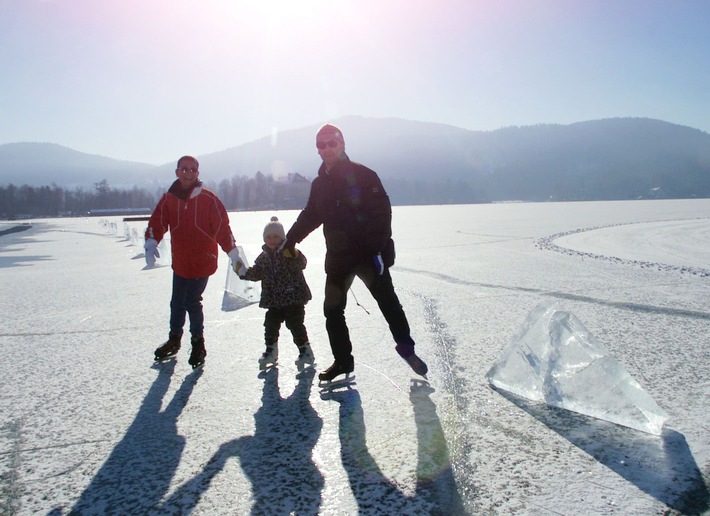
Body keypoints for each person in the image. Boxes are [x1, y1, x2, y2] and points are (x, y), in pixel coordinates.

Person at [280, 124, 428, 382]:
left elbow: (381, 214)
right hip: (338, 258)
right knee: (332, 311)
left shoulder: (363, 175)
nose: (326, 148)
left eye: (331, 143)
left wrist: (377, 249)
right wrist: (291, 239)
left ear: (342, 144)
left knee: (388, 303)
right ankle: (343, 362)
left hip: (369, 255)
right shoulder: (319, 184)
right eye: (321, 145)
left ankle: (407, 349)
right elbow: (312, 215)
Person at [145, 155, 241, 369]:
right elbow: (158, 221)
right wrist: (151, 242)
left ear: (197, 173)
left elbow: (222, 229)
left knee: (191, 300)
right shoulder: (169, 199)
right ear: (177, 172)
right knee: (176, 302)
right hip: (180, 263)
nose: (188, 173)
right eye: (184, 169)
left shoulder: (208, 199)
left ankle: (198, 342)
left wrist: (232, 252)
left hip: (202, 261)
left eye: (192, 170)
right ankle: (174, 339)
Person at [235, 216, 314, 370]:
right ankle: (271, 350)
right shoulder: (263, 258)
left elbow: (303, 263)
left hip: (293, 298)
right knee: (270, 325)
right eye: (268, 237)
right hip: (274, 301)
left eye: (276, 236)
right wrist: (243, 272)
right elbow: (257, 273)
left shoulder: (288, 251)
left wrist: (295, 255)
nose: (272, 240)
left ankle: (305, 350)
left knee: (295, 324)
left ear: (282, 237)